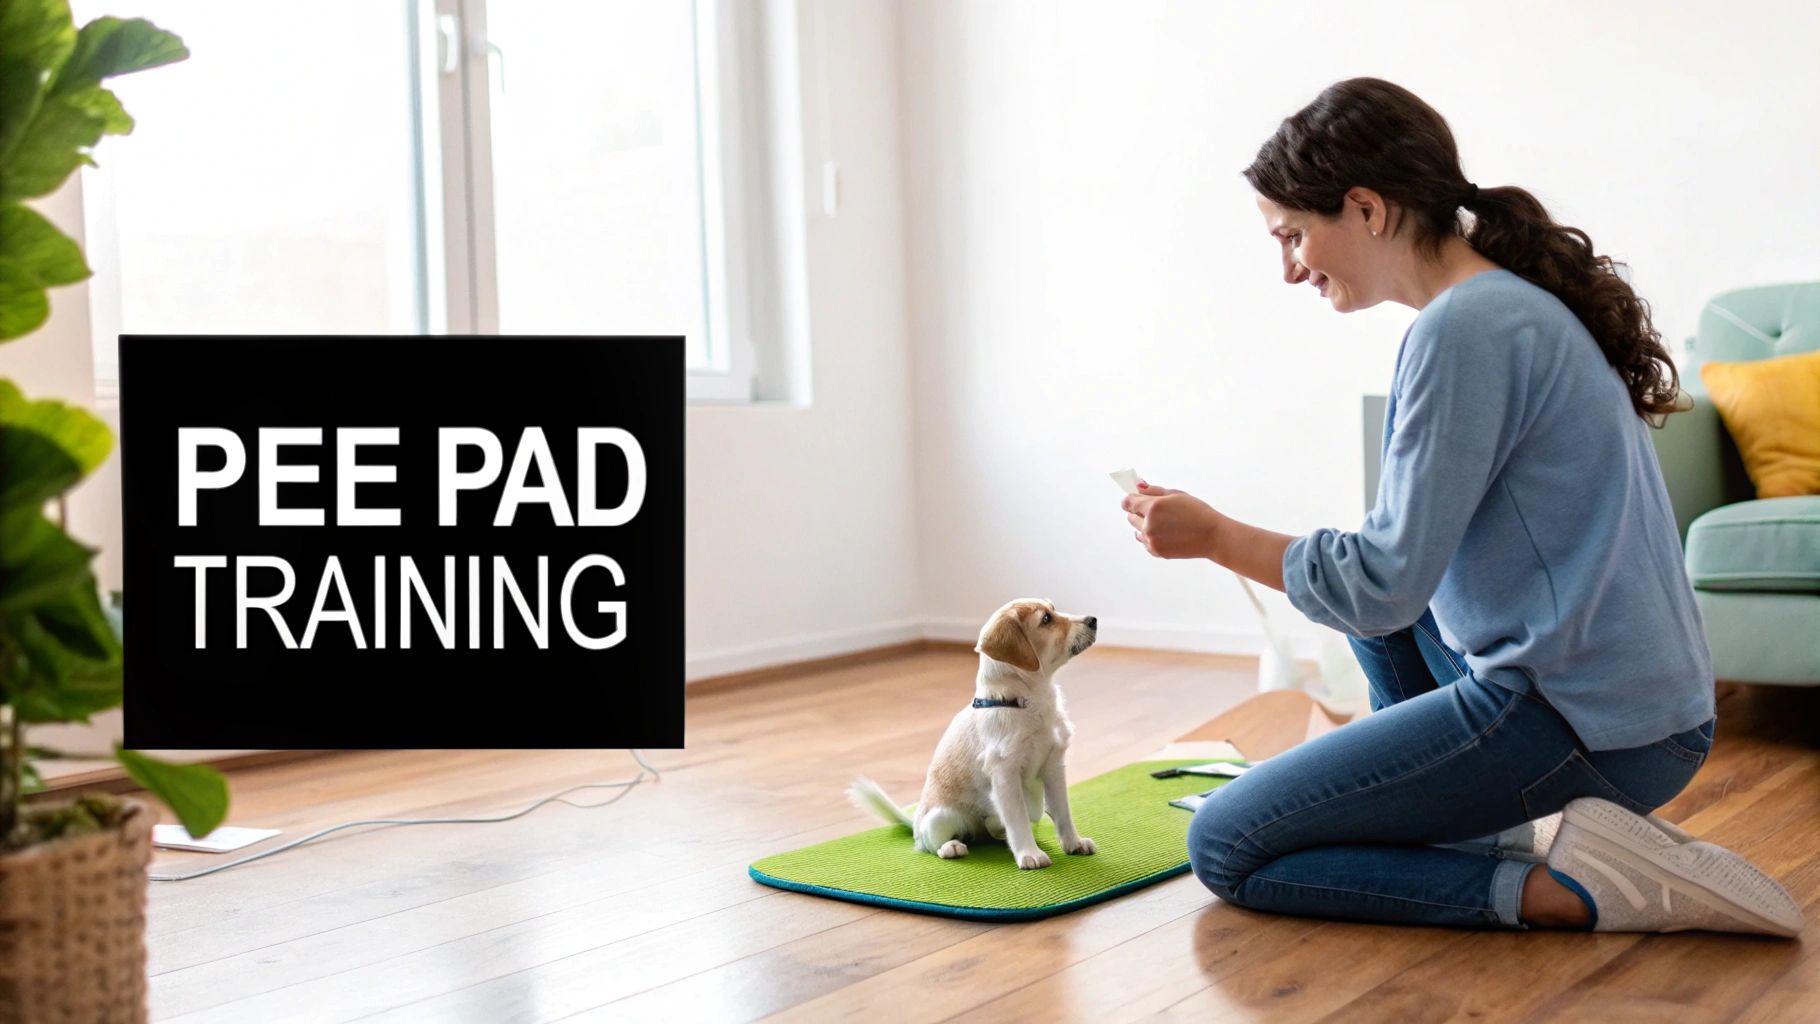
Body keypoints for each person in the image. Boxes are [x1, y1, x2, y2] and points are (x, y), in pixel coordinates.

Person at [1120, 77, 1803, 937]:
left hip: (1592, 729)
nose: (1289, 267)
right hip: (1637, 715)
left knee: (1228, 844)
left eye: (1293, 234)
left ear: (1366, 207)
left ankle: (1574, 890)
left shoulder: (1462, 330)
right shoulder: (1507, 306)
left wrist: (1214, 536)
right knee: (1373, 621)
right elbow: (1388, 590)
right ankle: (1508, 824)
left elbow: (1379, 584)